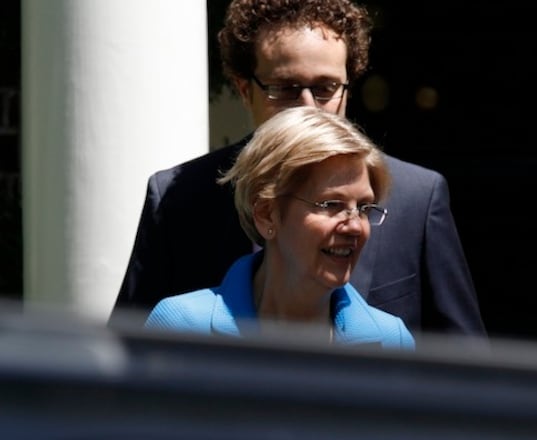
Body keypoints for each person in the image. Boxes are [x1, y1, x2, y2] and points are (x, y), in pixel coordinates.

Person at [110, 0, 486, 338]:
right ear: (244, 90)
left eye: (325, 89)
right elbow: (126, 363)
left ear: (347, 89)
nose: (308, 106)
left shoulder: (415, 197)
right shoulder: (181, 198)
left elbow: (465, 368)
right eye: (285, 89)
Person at [144, 106, 415, 349]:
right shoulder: (183, 328)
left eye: (365, 208)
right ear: (266, 215)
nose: (355, 226)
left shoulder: (391, 341)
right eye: (331, 204)